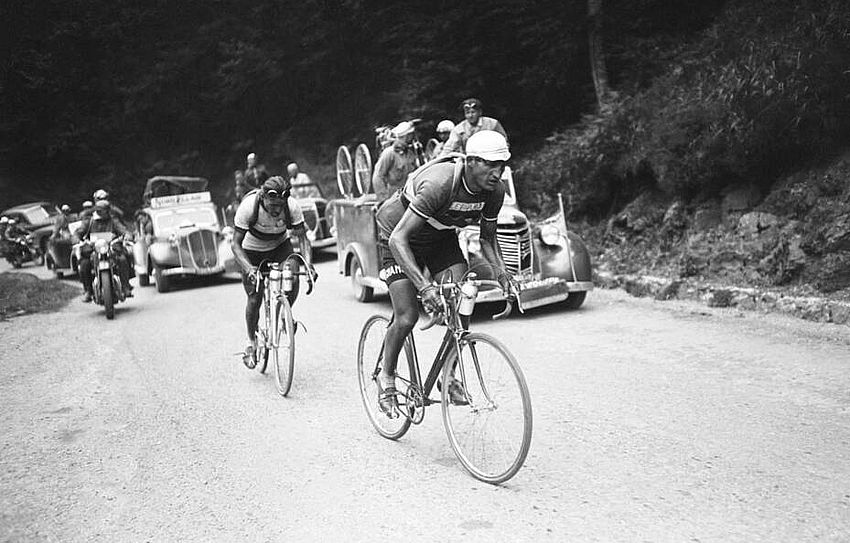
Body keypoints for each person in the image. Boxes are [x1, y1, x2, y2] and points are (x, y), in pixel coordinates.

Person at [374, 130, 513, 417]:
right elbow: (398, 240)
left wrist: (502, 274)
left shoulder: (495, 190)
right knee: (407, 315)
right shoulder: (441, 183)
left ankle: (448, 377)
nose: (497, 173)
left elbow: (487, 237)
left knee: (462, 301)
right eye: (490, 165)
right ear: (471, 161)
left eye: (501, 166)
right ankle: (386, 378)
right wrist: (425, 288)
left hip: (440, 239)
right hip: (399, 237)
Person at [231, 176, 313, 367]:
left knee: (292, 272)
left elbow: (303, 239)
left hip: (279, 246)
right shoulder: (248, 208)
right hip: (251, 251)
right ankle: (250, 342)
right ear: (263, 197)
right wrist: (249, 268)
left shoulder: (291, 207)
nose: (277, 210)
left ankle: (285, 314)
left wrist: (308, 265)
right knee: (254, 297)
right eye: (272, 205)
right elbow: (235, 245)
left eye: (280, 205)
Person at [75, 200, 133, 302]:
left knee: (122, 259)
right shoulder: (90, 221)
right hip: (94, 249)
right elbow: (79, 231)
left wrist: (127, 234)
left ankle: (125, 287)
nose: (106, 212)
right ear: (98, 211)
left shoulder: (112, 220)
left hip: (110, 247)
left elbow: (121, 228)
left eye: (106, 210)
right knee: (84, 264)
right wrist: (76, 238)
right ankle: (88, 291)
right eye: (103, 210)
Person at [438, 98, 508, 156]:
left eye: (473, 112)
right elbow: (449, 147)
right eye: (467, 113)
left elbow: (504, 142)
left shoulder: (492, 124)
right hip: (469, 160)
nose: (470, 115)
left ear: (480, 112)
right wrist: (439, 161)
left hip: (490, 158)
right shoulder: (459, 129)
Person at [371, 121, 420, 201]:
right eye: (411, 135)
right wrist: (383, 199)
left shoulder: (410, 154)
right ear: (407, 136)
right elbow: (378, 176)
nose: (413, 137)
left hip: (408, 198)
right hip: (392, 199)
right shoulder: (389, 153)